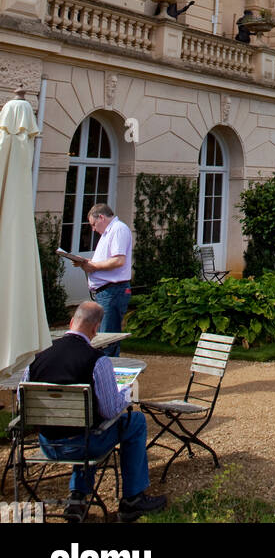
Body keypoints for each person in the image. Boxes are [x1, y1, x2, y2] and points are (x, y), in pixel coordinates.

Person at [20, 300, 167, 523]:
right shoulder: (98, 362)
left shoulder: (37, 359)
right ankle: (133, 499)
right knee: (134, 421)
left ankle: (77, 497)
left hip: (48, 444)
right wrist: (125, 395)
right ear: (96, 328)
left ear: (71, 322)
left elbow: (24, 403)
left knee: (85, 423)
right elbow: (109, 411)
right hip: (83, 445)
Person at [66, 203, 132, 357]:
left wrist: (93, 266)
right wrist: (86, 263)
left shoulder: (118, 230)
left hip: (113, 290)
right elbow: (108, 259)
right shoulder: (108, 233)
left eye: (94, 224)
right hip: (106, 291)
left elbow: (118, 261)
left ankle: (108, 373)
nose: (93, 229)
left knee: (107, 340)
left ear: (101, 217)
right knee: (103, 337)